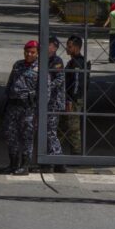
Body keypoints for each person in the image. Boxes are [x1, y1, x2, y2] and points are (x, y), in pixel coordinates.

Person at [0, 40, 40, 175]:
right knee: (10, 135)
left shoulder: (40, 68)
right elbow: (10, 82)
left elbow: (44, 90)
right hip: (13, 105)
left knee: (27, 137)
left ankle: (25, 166)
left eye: (32, 52)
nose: (29, 54)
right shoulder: (18, 65)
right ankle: (13, 163)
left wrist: (37, 108)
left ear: (37, 53)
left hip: (28, 108)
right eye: (27, 51)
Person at [43, 36, 67, 173]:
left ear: (54, 47)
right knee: (47, 131)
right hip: (45, 101)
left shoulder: (57, 61)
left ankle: (56, 160)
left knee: (50, 131)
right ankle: (54, 160)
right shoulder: (43, 60)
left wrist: (45, 86)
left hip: (54, 102)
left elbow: (59, 80)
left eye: (48, 44)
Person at [63, 35, 87, 155]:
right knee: (70, 125)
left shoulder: (78, 63)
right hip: (72, 97)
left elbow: (77, 83)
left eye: (70, 46)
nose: (67, 48)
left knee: (73, 127)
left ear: (77, 48)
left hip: (74, 99)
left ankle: (76, 153)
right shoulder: (73, 61)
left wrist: (71, 99)